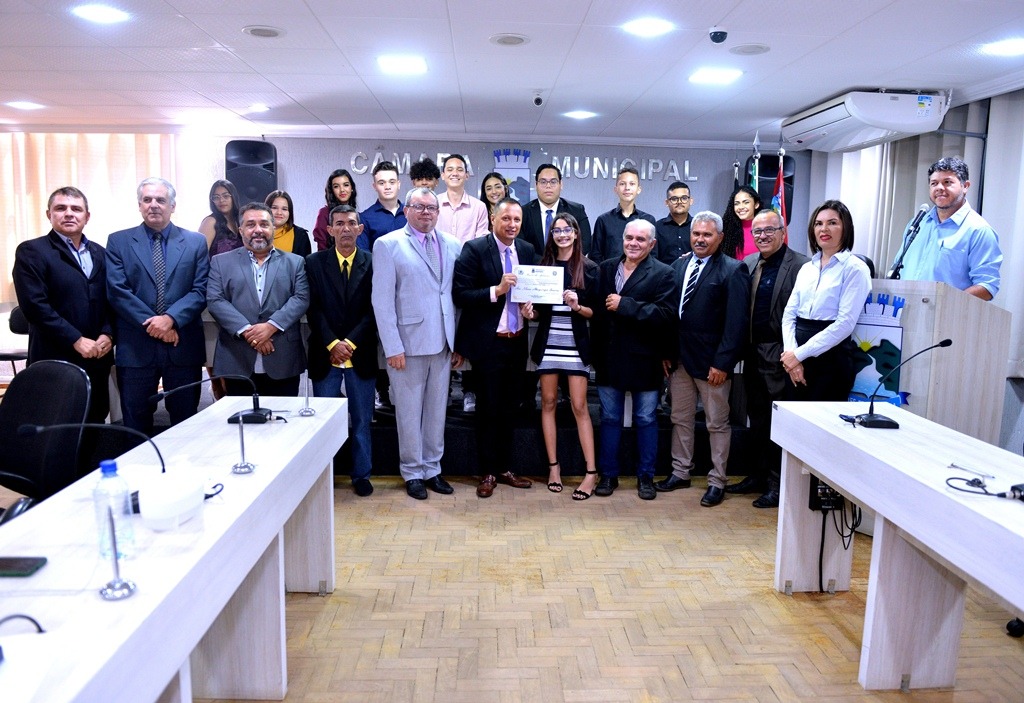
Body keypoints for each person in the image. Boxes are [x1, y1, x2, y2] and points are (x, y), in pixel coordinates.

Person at [371, 187, 463, 500]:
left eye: (431, 208)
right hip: (406, 346)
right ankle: (412, 472)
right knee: (409, 414)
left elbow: (453, 296)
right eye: (419, 207)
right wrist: (392, 346)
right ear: (406, 210)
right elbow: (382, 301)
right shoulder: (388, 244)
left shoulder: (452, 244)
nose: (426, 213)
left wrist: (457, 342)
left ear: (438, 212)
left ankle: (432, 469)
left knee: (437, 412)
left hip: (443, 343)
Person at [655, 211, 749, 508]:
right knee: (679, 419)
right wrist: (667, 352)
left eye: (707, 234)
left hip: (713, 366)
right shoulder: (679, 265)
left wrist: (723, 364)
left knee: (717, 424)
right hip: (680, 361)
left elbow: (736, 324)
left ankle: (717, 481)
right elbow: (671, 314)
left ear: (720, 237)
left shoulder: (733, 270)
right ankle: (680, 472)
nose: (700, 239)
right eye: (696, 233)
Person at [106, 177, 209, 435]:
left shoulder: (196, 242)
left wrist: (171, 319)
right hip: (136, 347)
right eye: (147, 200)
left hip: (182, 345)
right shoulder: (118, 241)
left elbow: (200, 290)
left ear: (172, 206)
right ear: (139, 205)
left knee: (185, 422)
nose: (154, 205)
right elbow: (118, 292)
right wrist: (158, 326)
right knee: (135, 423)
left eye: (161, 200)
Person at [454, 198, 537, 498]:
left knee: (510, 409)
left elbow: (532, 294)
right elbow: (460, 294)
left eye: (517, 219)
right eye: (506, 219)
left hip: (517, 341)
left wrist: (531, 310)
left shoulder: (526, 250)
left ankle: (504, 468)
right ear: (493, 219)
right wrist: (497, 291)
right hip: (488, 344)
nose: (512, 225)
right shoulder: (475, 249)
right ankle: (487, 471)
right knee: (488, 410)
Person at [725, 210, 808, 508]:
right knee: (756, 418)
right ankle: (757, 476)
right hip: (752, 353)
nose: (763, 236)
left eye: (769, 230)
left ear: (783, 232)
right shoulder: (748, 264)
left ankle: (777, 483)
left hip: (782, 355)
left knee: (778, 421)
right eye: (757, 231)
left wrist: (794, 353)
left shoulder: (801, 266)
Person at [13, 186, 114, 427]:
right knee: (55, 428)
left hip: (97, 357)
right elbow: (35, 306)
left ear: (87, 216)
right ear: (49, 214)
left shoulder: (101, 253)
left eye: (76, 209)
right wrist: (75, 340)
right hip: (55, 356)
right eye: (61, 208)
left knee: (94, 423)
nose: (69, 213)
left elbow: (113, 300)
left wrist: (109, 334)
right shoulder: (32, 251)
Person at [590, 220, 675, 499]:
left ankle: (646, 477)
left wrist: (625, 304)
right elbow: (596, 313)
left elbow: (665, 315)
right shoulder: (605, 268)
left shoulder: (664, 273)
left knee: (646, 419)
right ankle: (608, 476)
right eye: (629, 237)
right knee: (609, 418)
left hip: (645, 360)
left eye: (640, 239)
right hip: (608, 359)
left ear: (652, 244)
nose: (633, 243)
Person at [524, 213, 600, 500]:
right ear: (552, 236)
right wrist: (530, 313)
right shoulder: (543, 267)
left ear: (576, 233)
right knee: (548, 402)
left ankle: (591, 473)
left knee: (580, 406)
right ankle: (553, 468)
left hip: (574, 345)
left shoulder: (589, 268)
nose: (563, 234)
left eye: (567, 229)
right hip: (549, 344)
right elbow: (538, 311)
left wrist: (577, 306)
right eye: (557, 230)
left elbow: (595, 313)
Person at [306, 205, 377, 497]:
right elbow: (313, 308)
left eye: (351, 223)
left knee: (362, 420)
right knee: (324, 422)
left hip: (361, 353)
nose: (345, 228)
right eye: (339, 223)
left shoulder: (373, 262)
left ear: (360, 229)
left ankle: (361, 474)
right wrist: (334, 344)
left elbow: (375, 308)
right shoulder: (313, 263)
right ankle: (326, 475)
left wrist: (351, 343)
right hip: (326, 353)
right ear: (330, 230)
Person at [207, 202, 309, 398]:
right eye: (250, 224)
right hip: (236, 358)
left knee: (284, 416)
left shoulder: (295, 262)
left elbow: (301, 298)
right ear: (241, 230)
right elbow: (215, 300)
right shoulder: (220, 262)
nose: (258, 230)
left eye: (264, 224)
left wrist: (270, 327)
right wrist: (249, 332)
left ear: (273, 228)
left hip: (283, 357)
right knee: (240, 417)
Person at [782, 200, 872, 405]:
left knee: (822, 422)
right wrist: (791, 355)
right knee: (794, 420)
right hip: (796, 354)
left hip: (831, 358)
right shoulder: (807, 268)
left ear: (845, 227)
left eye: (832, 223)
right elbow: (789, 314)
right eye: (818, 223)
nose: (824, 229)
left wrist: (799, 355)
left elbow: (845, 324)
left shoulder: (855, 269)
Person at [890, 156, 1001, 300]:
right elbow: (897, 269)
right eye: (934, 183)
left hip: (946, 313)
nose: (939, 188)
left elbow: (987, 286)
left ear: (965, 186)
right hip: (903, 310)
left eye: (947, 182)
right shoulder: (917, 224)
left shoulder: (979, 231)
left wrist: (942, 304)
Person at [519, 163, 592, 255]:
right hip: (533, 263)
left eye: (553, 182)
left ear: (561, 184)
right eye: (543, 182)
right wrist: (543, 262)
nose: (548, 186)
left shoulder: (577, 210)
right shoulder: (523, 212)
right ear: (536, 185)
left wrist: (563, 260)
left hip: (568, 263)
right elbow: (520, 245)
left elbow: (585, 243)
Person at [589, 167, 655, 263]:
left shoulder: (648, 220)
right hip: (610, 271)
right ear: (616, 189)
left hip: (641, 271)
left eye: (632, 184)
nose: (627, 188)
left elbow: (653, 254)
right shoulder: (604, 220)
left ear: (639, 189)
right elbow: (596, 255)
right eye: (622, 184)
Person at [436, 154, 489, 244]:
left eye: (460, 170)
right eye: (450, 170)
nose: (455, 173)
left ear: (467, 175)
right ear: (443, 175)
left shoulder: (479, 207)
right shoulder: (433, 204)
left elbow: (481, 242)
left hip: (469, 254)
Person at [359, 161, 406, 251]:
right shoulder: (364, 218)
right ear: (374, 186)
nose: (387, 187)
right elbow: (363, 254)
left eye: (392, 182)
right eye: (381, 183)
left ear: (398, 184)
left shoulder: (411, 214)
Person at [312, 169, 357, 251]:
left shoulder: (356, 214)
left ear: (352, 188)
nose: (342, 190)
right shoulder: (324, 213)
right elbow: (322, 249)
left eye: (346, 185)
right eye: (336, 186)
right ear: (332, 190)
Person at [199, 180, 242, 257]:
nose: (221, 200)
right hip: (216, 265)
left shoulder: (240, 220)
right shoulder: (210, 222)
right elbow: (199, 256)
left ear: (233, 197)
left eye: (226, 196)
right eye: (216, 197)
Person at [654, 181, 693, 264]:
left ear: (691, 201)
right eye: (674, 199)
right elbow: (652, 258)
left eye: (684, 198)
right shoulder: (657, 227)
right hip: (664, 272)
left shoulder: (698, 227)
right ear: (667, 202)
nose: (679, 202)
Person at [265, 189, 311, 257]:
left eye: (284, 209)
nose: (279, 213)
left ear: (289, 212)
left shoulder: (301, 235)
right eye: (274, 208)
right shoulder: (254, 233)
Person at [722, 185, 762, 260]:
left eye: (746, 202)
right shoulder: (726, 229)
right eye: (737, 203)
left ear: (756, 204)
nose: (741, 207)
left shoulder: (765, 228)